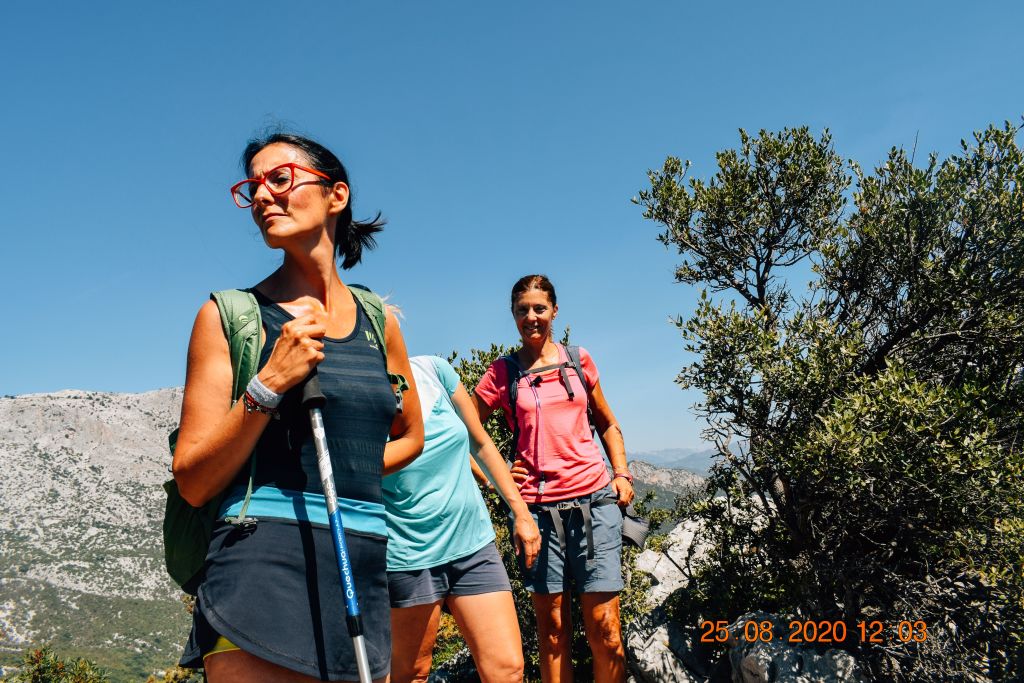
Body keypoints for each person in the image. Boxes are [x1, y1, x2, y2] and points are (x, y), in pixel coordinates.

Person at [173, 132, 424, 682]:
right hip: (260, 567)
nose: (262, 196)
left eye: (280, 179)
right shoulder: (227, 317)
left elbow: (411, 435)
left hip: (362, 563)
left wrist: (355, 466)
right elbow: (193, 480)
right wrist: (269, 383)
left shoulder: (380, 321)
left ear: (337, 195)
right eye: (252, 187)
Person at [473, 275, 634, 683]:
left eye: (539, 308)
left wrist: (621, 473)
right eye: (522, 310)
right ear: (513, 315)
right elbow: (463, 432)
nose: (531, 317)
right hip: (537, 516)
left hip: (595, 503)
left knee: (607, 632)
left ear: (555, 311)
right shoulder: (503, 373)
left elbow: (608, 423)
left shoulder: (578, 360)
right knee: (553, 634)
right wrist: (494, 477)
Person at [383, 354, 541, 683]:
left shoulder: (433, 370)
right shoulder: (356, 394)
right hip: (409, 554)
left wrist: (521, 512)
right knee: (412, 674)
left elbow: (479, 442)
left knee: (508, 670)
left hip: (473, 544)